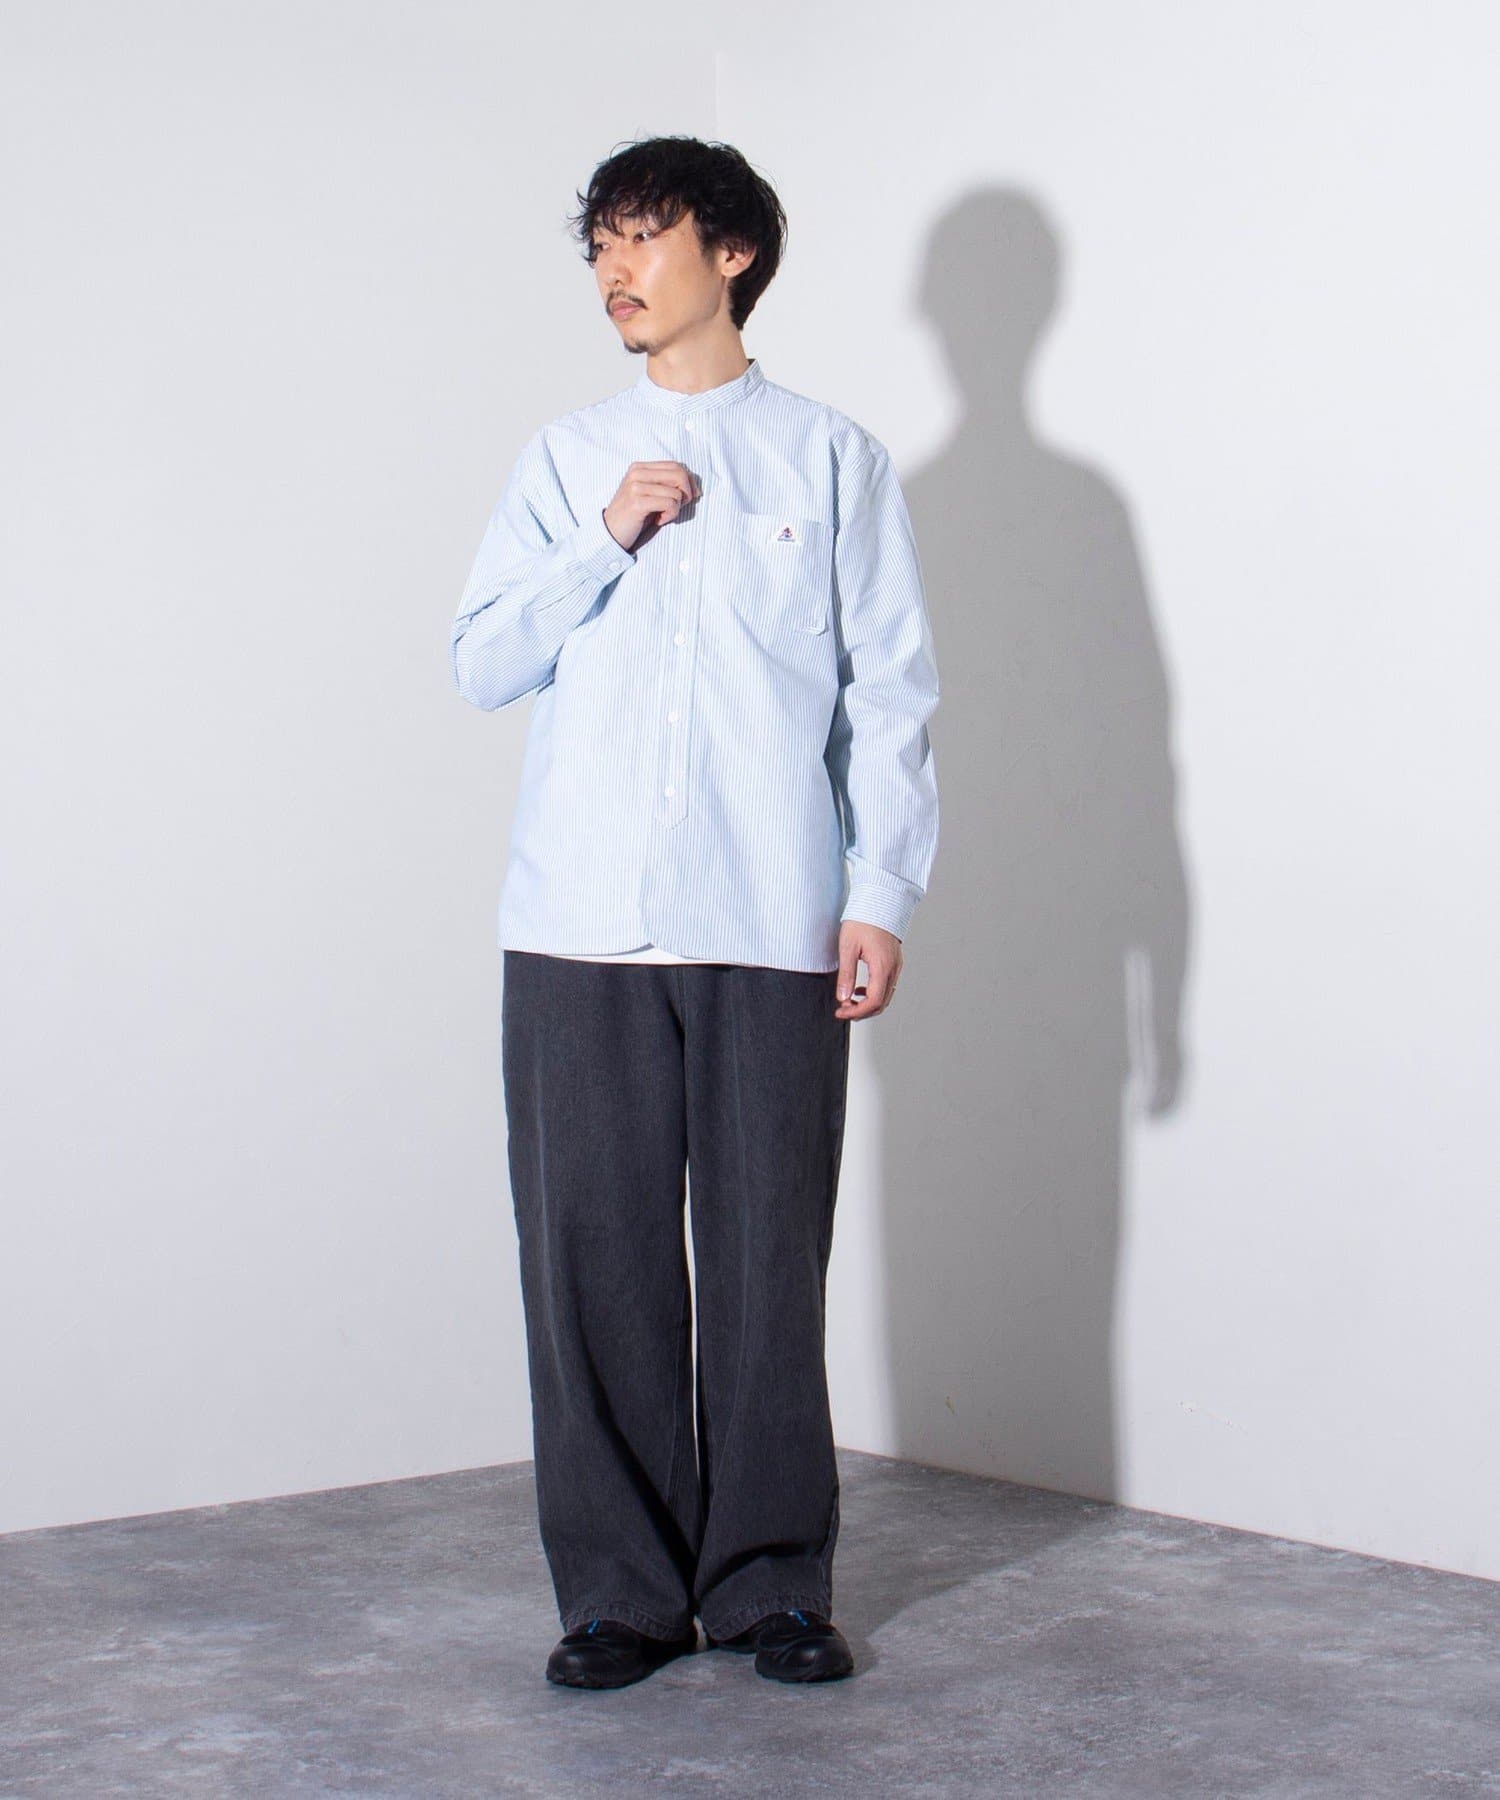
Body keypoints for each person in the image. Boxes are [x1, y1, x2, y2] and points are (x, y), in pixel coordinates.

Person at [450, 136, 940, 1689]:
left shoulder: (833, 460)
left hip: (772, 915)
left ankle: (771, 1585)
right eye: (599, 242)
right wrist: (600, 539)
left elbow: (890, 697)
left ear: (730, 254)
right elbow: (481, 663)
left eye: (643, 235)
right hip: (578, 922)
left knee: (765, 1266)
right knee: (589, 1265)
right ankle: (617, 1594)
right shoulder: (566, 459)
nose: (614, 268)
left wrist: (879, 892)